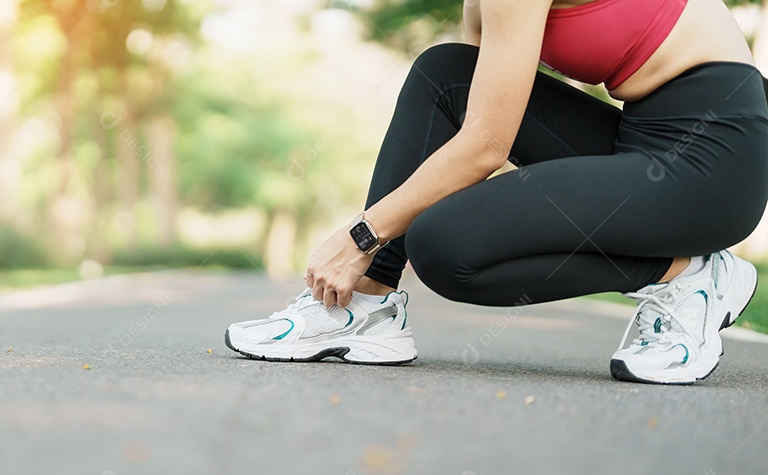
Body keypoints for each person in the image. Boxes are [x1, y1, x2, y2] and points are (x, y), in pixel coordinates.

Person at [224, 0, 768, 385]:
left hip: (714, 162)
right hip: (639, 136)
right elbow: (470, 107)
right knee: (444, 74)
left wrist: (361, 235)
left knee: (445, 246)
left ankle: (687, 272)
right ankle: (364, 305)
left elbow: (485, 146)